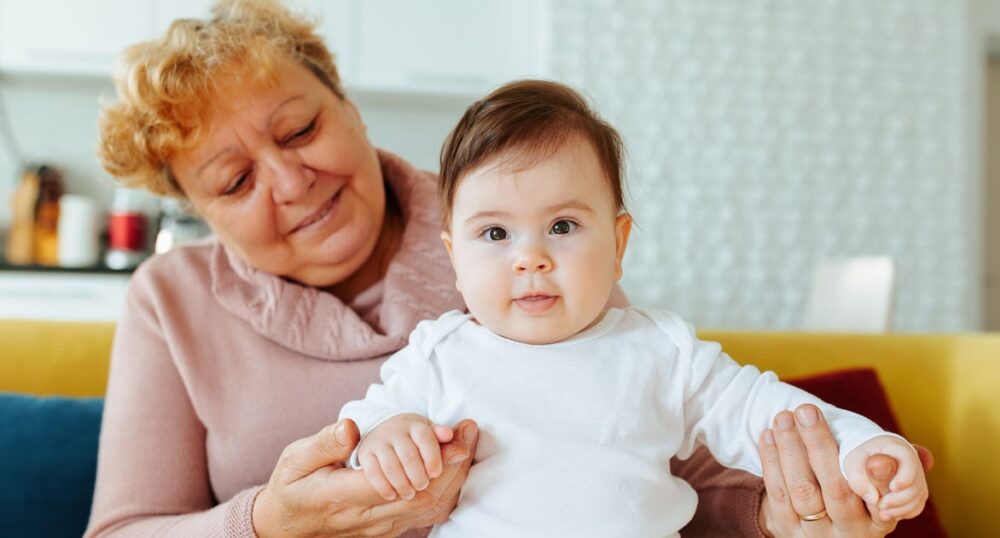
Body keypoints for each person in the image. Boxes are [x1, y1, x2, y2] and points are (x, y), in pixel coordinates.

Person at [86, 0, 931, 536]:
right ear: (196, 209)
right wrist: (266, 524)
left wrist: (800, 507)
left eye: (300, 129)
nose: (289, 179)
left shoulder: (534, 241)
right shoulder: (173, 300)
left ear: (346, 100)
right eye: (234, 181)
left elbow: (673, 463)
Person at [336, 80, 929, 537]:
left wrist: (861, 448)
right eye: (495, 235)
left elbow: (770, 414)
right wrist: (386, 435)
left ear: (618, 245)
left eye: (562, 226)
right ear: (454, 261)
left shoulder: (663, 353)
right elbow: (357, 432)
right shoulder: (439, 354)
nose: (531, 258)